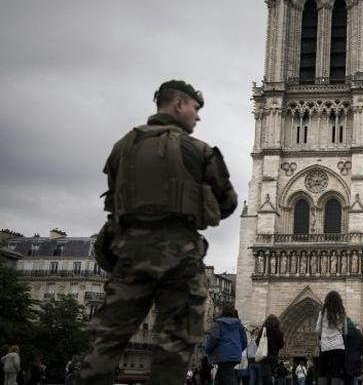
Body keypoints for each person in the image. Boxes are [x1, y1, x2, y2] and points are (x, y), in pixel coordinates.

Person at [80, 80, 238, 384]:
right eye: (195, 107)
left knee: (106, 341)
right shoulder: (197, 151)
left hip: (129, 256)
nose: (198, 116)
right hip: (179, 259)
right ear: (178, 104)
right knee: (175, 346)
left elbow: (113, 200)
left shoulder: (122, 147)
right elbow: (228, 202)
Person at [206, 305, 248, 385]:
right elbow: (244, 340)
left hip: (222, 355)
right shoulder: (239, 325)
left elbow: (214, 338)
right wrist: (237, 349)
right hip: (234, 355)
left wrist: (208, 349)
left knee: (229, 379)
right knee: (220, 378)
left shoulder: (218, 324)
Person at [317, 291, 348, 385]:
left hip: (325, 346)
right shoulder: (342, 313)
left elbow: (317, 329)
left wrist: (322, 336)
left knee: (322, 371)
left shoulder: (322, 313)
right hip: (338, 346)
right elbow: (345, 331)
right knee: (336, 372)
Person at [257, 314, 286, 385]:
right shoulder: (279, 332)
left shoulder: (264, 330)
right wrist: (275, 348)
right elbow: (281, 345)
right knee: (270, 375)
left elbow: (257, 341)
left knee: (265, 376)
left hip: (265, 356)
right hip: (274, 357)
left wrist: (262, 347)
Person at [345, 319, 363, 385]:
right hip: (356, 359)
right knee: (354, 378)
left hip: (347, 359)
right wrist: (359, 354)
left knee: (348, 379)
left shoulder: (346, 333)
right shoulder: (359, 334)